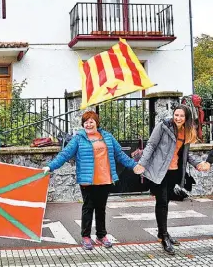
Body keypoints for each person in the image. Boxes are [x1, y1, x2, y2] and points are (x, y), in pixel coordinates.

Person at [42, 111, 141, 251]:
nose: (88, 124)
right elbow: (64, 154)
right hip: (88, 180)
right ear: (83, 125)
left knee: (101, 209)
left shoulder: (107, 136)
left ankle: (101, 235)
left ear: (96, 122)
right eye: (86, 122)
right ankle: (86, 237)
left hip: (105, 178)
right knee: (88, 208)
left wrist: (134, 165)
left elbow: (119, 155)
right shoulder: (78, 139)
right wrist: (50, 166)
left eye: (91, 121)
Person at [134, 105, 210, 255]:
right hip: (159, 171)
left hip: (174, 172)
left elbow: (186, 154)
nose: (178, 118)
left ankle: (163, 233)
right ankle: (164, 237)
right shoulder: (163, 126)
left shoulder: (187, 131)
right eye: (176, 115)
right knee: (162, 202)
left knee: (166, 202)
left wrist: (197, 164)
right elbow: (151, 145)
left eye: (182, 116)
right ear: (173, 115)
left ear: (186, 118)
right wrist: (142, 163)